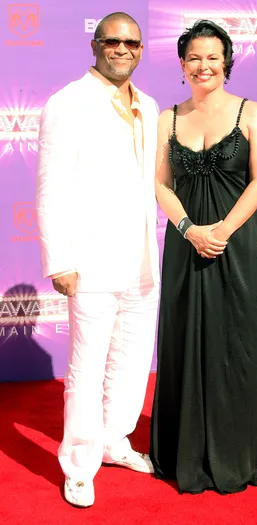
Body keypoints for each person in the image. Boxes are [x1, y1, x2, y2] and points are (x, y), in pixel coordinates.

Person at [150, 20, 257, 495]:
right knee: (184, 342)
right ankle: (182, 451)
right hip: (186, 244)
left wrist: (222, 230)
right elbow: (159, 185)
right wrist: (190, 230)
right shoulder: (167, 118)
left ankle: (244, 450)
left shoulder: (251, 112)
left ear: (226, 61)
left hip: (236, 244)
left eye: (212, 57)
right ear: (182, 63)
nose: (203, 65)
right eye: (194, 57)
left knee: (238, 344)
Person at [36, 12, 160, 507]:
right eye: (113, 41)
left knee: (132, 363)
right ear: (95, 44)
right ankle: (80, 463)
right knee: (86, 368)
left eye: (132, 42)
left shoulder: (149, 106)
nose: (123, 49)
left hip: (143, 260)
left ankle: (114, 440)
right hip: (89, 260)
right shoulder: (66, 103)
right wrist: (59, 259)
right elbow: (50, 186)